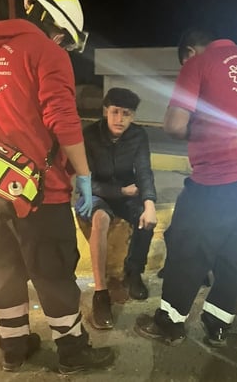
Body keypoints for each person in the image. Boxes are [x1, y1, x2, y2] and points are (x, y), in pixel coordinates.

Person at [0, 0, 114, 374]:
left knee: (6, 263)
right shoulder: (48, 52)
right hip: (36, 189)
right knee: (53, 267)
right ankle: (73, 351)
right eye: (65, 39)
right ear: (59, 30)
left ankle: (12, 346)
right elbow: (62, 119)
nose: (64, 44)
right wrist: (83, 174)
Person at [134, 28, 237, 347]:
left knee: (188, 248)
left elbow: (174, 124)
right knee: (236, 252)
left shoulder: (199, 63)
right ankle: (218, 324)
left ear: (188, 51)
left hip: (219, 178)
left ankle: (169, 323)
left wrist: (195, 134)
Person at [75, 87, 157, 329]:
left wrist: (149, 203)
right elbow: (84, 179)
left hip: (126, 190)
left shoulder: (138, 136)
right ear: (105, 111)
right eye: (115, 112)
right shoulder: (89, 134)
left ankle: (133, 271)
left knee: (146, 217)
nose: (120, 119)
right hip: (94, 194)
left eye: (127, 114)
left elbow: (143, 171)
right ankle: (101, 294)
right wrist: (120, 192)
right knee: (100, 219)